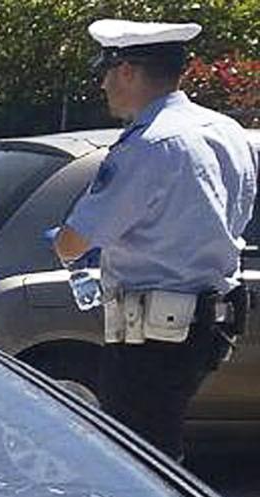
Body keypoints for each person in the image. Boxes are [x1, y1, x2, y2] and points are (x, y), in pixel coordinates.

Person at [51, 19, 257, 459]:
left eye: (106, 72)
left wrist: (66, 242)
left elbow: (74, 242)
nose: (103, 84)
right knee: (160, 449)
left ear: (127, 71)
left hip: (152, 336)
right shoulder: (226, 131)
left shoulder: (149, 144)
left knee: (138, 460)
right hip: (207, 323)